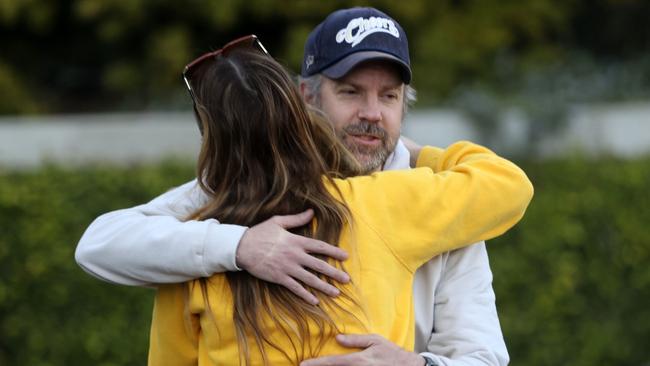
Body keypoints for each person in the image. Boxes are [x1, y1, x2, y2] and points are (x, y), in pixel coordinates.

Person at [77, 7, 516, 366]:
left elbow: (484, 358)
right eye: (350, 92)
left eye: (389, 96)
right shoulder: (229, 198)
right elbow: (100, 243)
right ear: (305, 99)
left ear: (405, 104)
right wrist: (240, 245)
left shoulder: (442, 200)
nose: (372, 113)